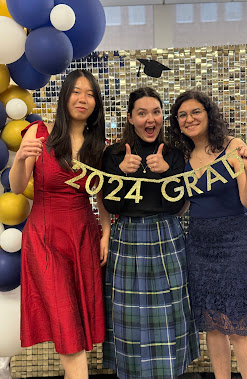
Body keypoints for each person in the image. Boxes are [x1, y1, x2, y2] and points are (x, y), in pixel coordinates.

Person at [9, 69, 111, 379]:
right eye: (76, 91)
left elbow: (103, 196)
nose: (83, 98)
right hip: (45, 239)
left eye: (90, 93)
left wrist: (105, 232)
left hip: (82, 235)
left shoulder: (100, 146)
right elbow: (16, 187)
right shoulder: (39, 132)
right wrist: (20, 159)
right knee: (67, 325)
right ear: (64, 96)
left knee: (78, 328)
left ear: (96, 103)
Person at [101, 87, 200, 379]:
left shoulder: (173, 154)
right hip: (126, 237)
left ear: (162, 116)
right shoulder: (114, 153)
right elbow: (109, 204)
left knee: (169, 316)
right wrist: (121, 173)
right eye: (142, 113)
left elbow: (178, 206)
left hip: (166, 236)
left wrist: (167, 173)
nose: (150, 119)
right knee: (126, 317)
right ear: (130, 118)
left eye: (155, 112)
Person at [169, 90, 247, 379]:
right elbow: (181, 206)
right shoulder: (182, 156)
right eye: (182, 115)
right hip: (199, 245)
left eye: (196, 111)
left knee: (238, 325)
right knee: (212, 324)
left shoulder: (232, 146)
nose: (189, 119)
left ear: (209, 114)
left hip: (236, 243)